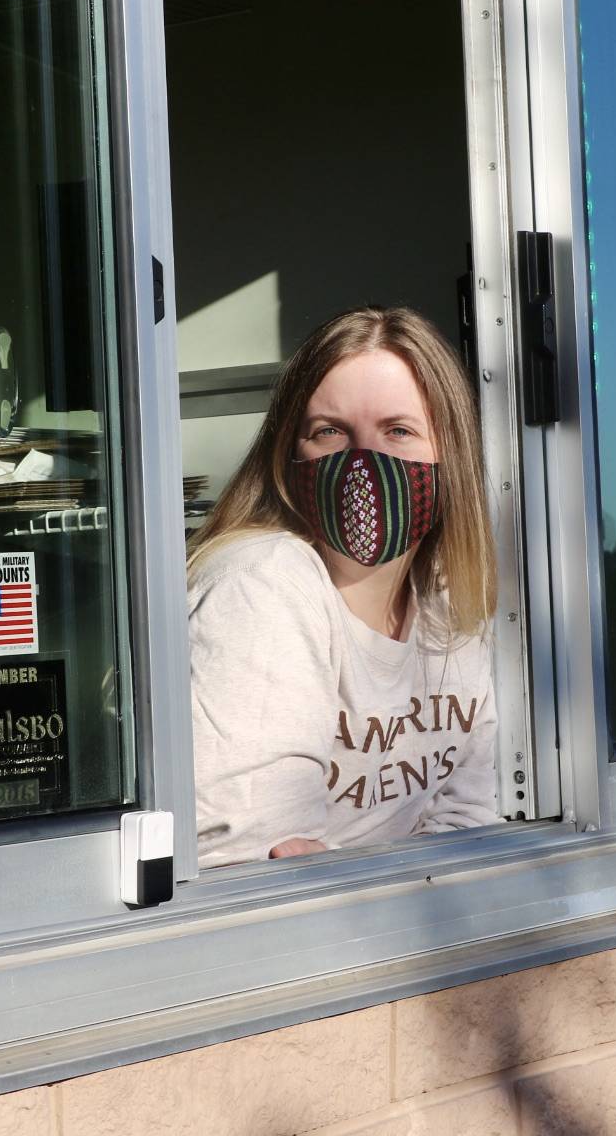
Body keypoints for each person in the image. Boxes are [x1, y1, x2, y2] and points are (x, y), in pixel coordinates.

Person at [188, 307, 498, 867]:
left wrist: (352, 866)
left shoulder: (448, 598)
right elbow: (254, 858)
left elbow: (468, 823)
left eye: (398, 431)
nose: (363, 462)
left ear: (449, 454)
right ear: (289, 450)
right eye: (329, 432)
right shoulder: (263, 583)